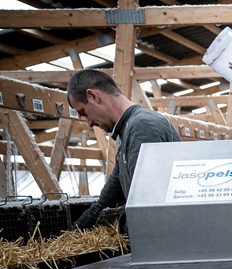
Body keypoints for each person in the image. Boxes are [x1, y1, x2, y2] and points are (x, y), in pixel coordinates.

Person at [67, 69, 181, 230]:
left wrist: (123, 230)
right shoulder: (127, 131)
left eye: (84, 113)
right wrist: (82, 225)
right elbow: (113, 189)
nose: (89, 123)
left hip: (164, 236)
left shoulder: (142, 126)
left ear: (93, 96)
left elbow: (146, 198)